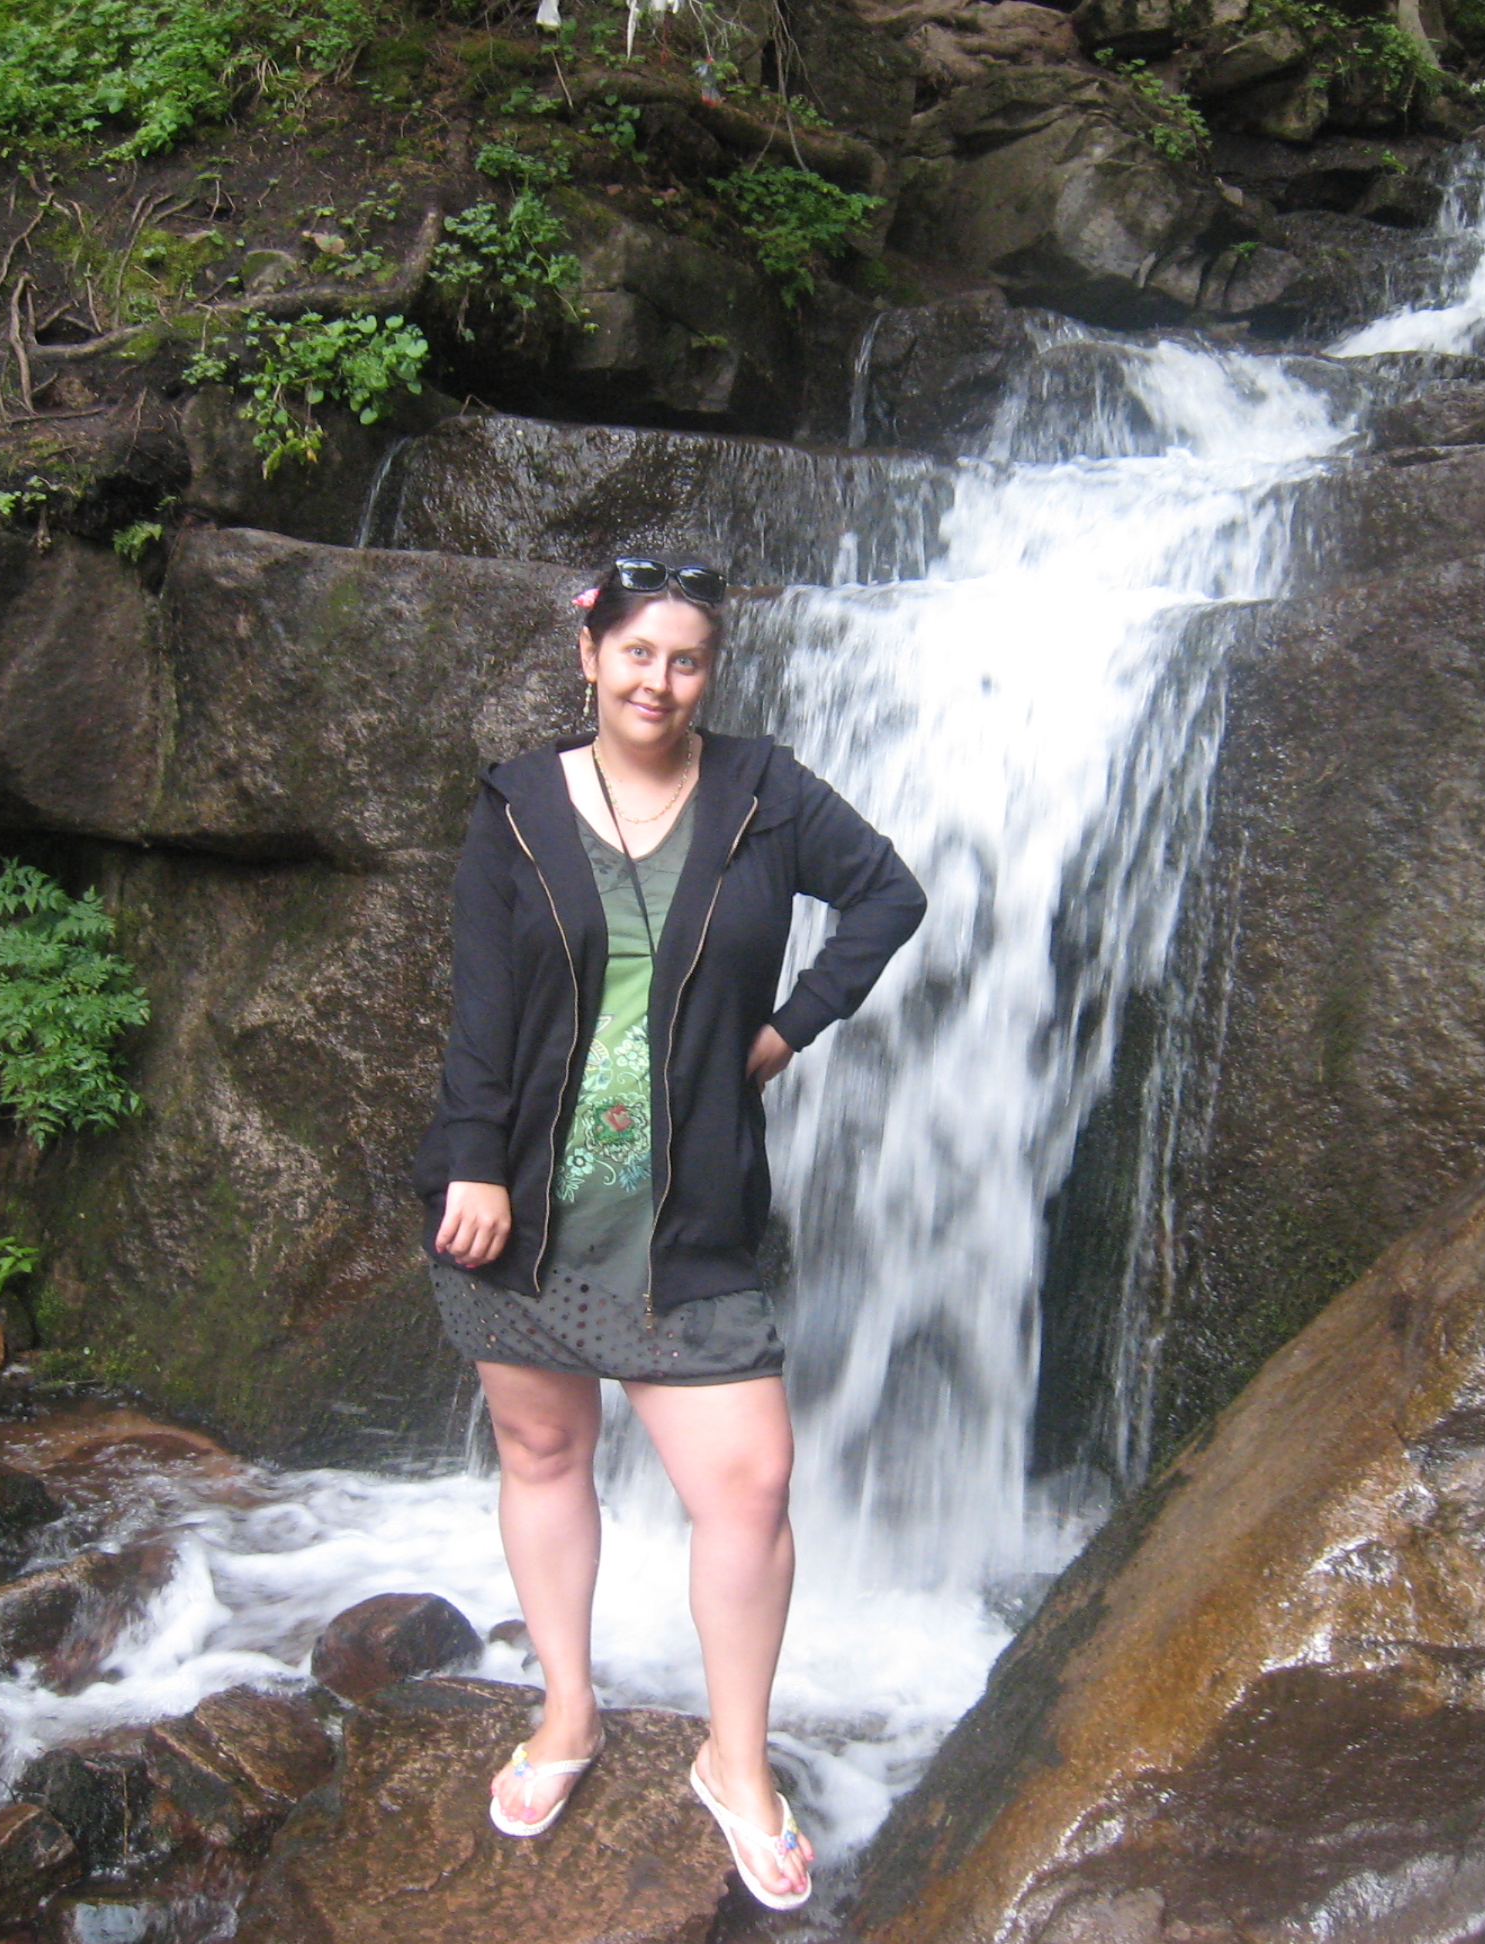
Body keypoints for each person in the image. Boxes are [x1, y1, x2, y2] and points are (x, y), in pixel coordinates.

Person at [411, 556, 925, 1909]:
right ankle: (567, 1711)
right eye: (637, 653)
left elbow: (888, 894)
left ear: (710, 673)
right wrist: (474, 1164)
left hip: (689, 1210)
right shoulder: (518, 807)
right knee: (544, 1452)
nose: (659, 681)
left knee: (748, 1482)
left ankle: (733, 1760)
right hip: (528, 1204)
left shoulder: (766, 794)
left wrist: (787, 1029)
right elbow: (478, 1008)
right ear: (591, 657)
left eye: (686, 659)